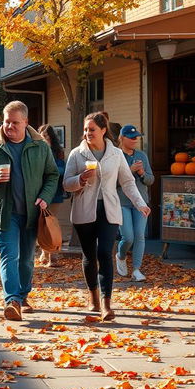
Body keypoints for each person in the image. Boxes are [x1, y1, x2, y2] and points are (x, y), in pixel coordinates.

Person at [0, 101, 59, 321]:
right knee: (9, 256)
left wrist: (45, 197)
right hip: (4, 212)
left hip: (31, 213)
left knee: (27, 259)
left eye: (14, 122)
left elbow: (52, 175)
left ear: (26, 122)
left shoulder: (40, 147)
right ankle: (12, 300)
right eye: (6, 121)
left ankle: (23, 294)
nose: (9, 126)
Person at [63, 112, 150, 321]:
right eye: (85, 130)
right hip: (85, 211)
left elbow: (128, 182)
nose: (87, 133)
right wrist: (80, 179)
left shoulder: (116, 154)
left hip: (110, 210)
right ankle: (93, 296)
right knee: (89, 256)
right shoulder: (77, 154)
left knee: (104, 253)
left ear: (103, 130)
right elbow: (66, 183)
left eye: (91, 129)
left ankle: (106, 304)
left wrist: (140, 204)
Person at [116, 124, 155, 282]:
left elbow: (150, 180)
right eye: (131, 137)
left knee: (140, 236)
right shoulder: (116, 156)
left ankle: (137, 270)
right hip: (122, 202)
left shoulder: (142, 156)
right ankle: (120, 255)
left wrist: (142, 173)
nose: (135, 140)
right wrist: (129, 171)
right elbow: (110, 183)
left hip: (141, 203)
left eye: (136, 137)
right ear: (122, 138)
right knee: (128, 237)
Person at [37, 124, 66, 267]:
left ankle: (52, 256)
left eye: (47, 137)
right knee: (43, 224)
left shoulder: (57, 152)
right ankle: (45, 252)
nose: (44, 139)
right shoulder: (36, 150)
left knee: (52, 223)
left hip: (55, 193)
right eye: (42, 137)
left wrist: (50, 167)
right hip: (38, 193)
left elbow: (62, 169)